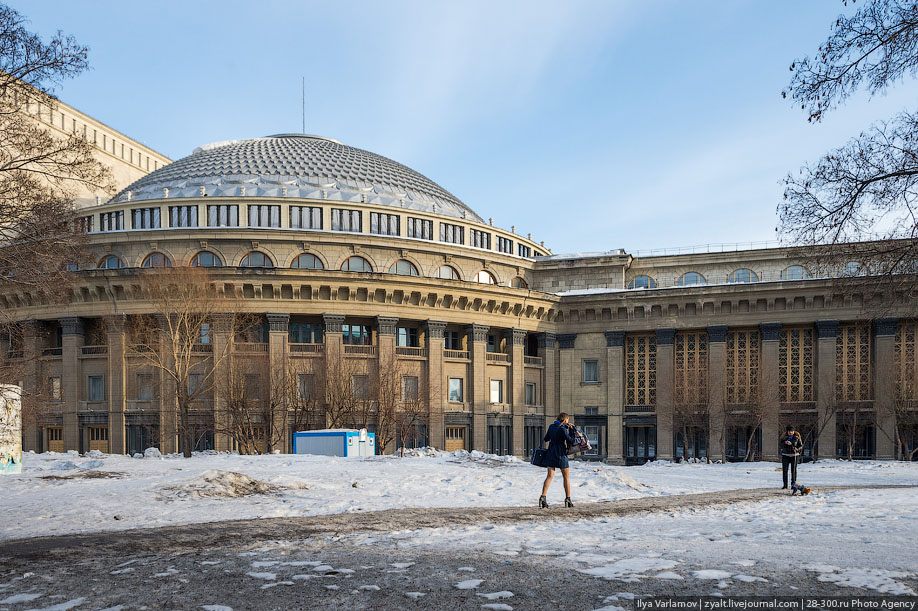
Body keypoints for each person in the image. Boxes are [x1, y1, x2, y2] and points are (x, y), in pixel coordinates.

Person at [539, 412, 576, 508]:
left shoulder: (551, 426)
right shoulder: (562, 429)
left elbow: (546, 438)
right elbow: (571, 440)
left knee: (549, 476)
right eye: (567, 419)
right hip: (561, 455)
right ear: (565, 420)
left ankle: (543, 497)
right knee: (566, 477)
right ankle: (568, 499)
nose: (568, 421)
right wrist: (571, 430)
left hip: (551, 453)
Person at [780, 425, 804, 489]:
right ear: (787, 431)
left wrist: (797, 449)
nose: (791, 432)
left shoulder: (797, 437)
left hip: (794, 455)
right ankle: (785, 485)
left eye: (792, 431)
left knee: (793, 470)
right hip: (785, 455)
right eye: (789, 431)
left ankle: (793, 485)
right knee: (785, 470)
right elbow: (780, 445)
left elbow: (801, 446)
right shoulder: (784, 437)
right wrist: (785, 443)